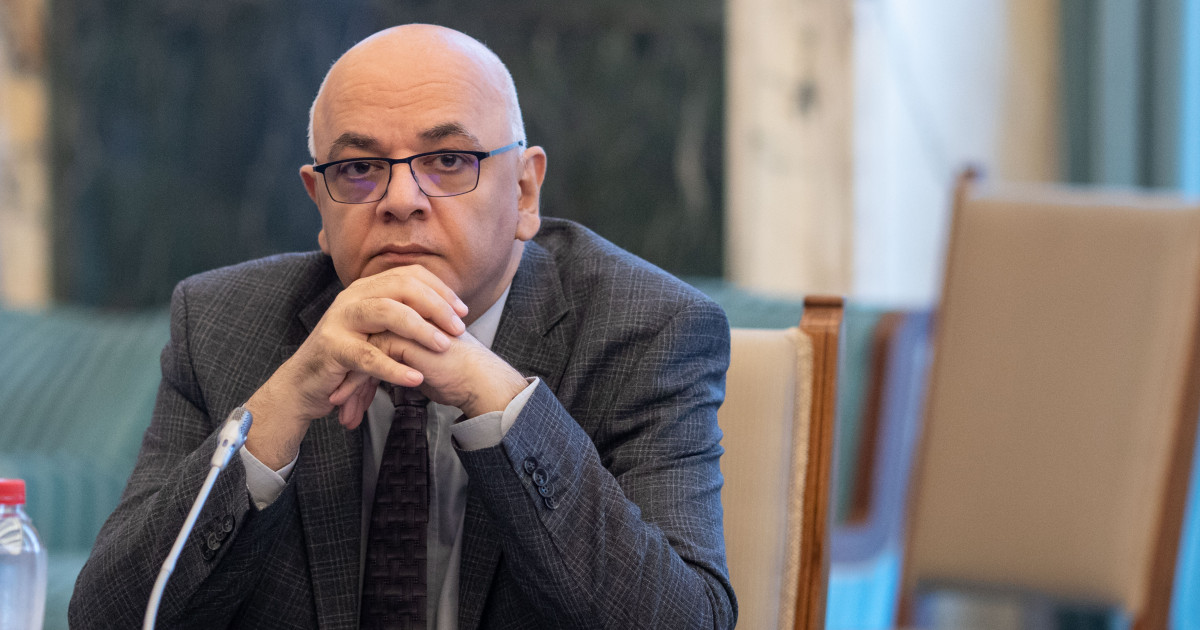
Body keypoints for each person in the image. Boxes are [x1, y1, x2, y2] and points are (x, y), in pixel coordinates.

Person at [70, 24, 736, 629]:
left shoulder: (647, 330)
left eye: (447, 160)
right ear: (320, 204)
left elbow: (685, 622)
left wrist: (498, 402)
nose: (399, 201)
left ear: (524, 192)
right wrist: (279, 409)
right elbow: (110, 619)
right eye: (359, 169)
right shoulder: (221, 323)